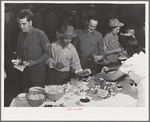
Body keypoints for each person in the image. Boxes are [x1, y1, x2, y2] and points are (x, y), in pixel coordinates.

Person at [95, 36, 145, 107]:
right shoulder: (140, 54)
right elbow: (125, 66)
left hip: (144, 89)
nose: (121, 51)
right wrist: (110, 68)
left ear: (127, 49)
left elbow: (113, 77)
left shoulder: (131, 61)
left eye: (122, 49)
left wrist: (100, 75)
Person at [16, 9, 51, 90]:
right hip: (24, 71)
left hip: (37, 71)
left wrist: (35, 62)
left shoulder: (40, 34)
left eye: (24, 24)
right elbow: (19, 49)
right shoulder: (21, 34)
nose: (21, 27)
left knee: (37, 93)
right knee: (26, 92)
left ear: (30, 22)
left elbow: (48, 53)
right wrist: (18, 58)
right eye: (19, 24)